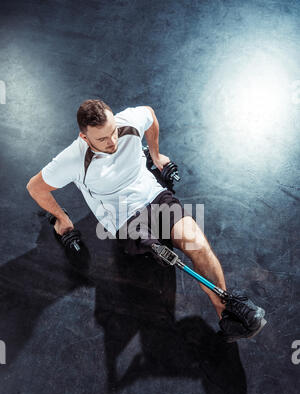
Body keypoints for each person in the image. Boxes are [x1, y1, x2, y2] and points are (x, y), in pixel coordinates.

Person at [26, 99, 266, 342]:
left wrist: (156, 155)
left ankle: (225, 316)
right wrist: (63, 218)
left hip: (154, 195)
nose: (112, 142)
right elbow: (35, 187)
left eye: (113, 133)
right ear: (85, 138)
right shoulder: (72, 159)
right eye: (102, 139)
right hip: (122, 216)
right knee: (158, 253)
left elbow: (150, 115)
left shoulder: (128, 122)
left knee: (198, 245)